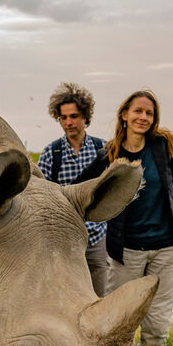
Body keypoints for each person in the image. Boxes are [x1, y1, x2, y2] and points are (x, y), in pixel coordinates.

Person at [75, 89, 173, 346]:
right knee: (119, 322)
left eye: (149, 113)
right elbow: (79, 188)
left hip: (167, 249)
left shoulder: (161, 148)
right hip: (126, 252)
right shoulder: (110, 154)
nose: (143, 117)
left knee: (157, 325)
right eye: (138, 111)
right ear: (124, 115)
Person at [36, 82, 110, 297]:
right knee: (66, 300)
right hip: (65, 241)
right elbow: (42, 198)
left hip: (98, 237)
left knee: (99, 299)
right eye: (63, 117)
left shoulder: (103, 149)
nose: (69, 122)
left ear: (85, 117)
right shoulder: (51, 153)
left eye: (74, 116)